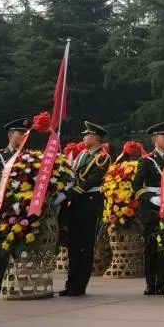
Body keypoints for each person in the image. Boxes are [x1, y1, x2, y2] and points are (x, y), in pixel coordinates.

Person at [0, 117, 30, 296]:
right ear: (11, 135)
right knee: (0, 246)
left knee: (23, 244)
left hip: (22, 207)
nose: (24, 136)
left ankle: (18, 281)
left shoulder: (29, 156)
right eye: (21, 133)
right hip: (1, 207)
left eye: (26, 134)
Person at [61, 121, 111, 296]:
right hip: (76, 203)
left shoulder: (102, 157)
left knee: (86, 246)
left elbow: (91, 181)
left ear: (96, 137)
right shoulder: (81, 155)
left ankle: (80, 285)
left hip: (89, 203)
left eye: (87, 135)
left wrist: (68, 194)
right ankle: (70, 284)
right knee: (73, 246)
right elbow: (72, 175)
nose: (84, 137)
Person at [132, 122, 164, 295]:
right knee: (150, 245)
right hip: (150, 207)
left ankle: (161, 282)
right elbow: (136, 185)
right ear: (155, 139)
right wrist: (151, 198)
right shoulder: (146, 160)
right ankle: (150, 283)